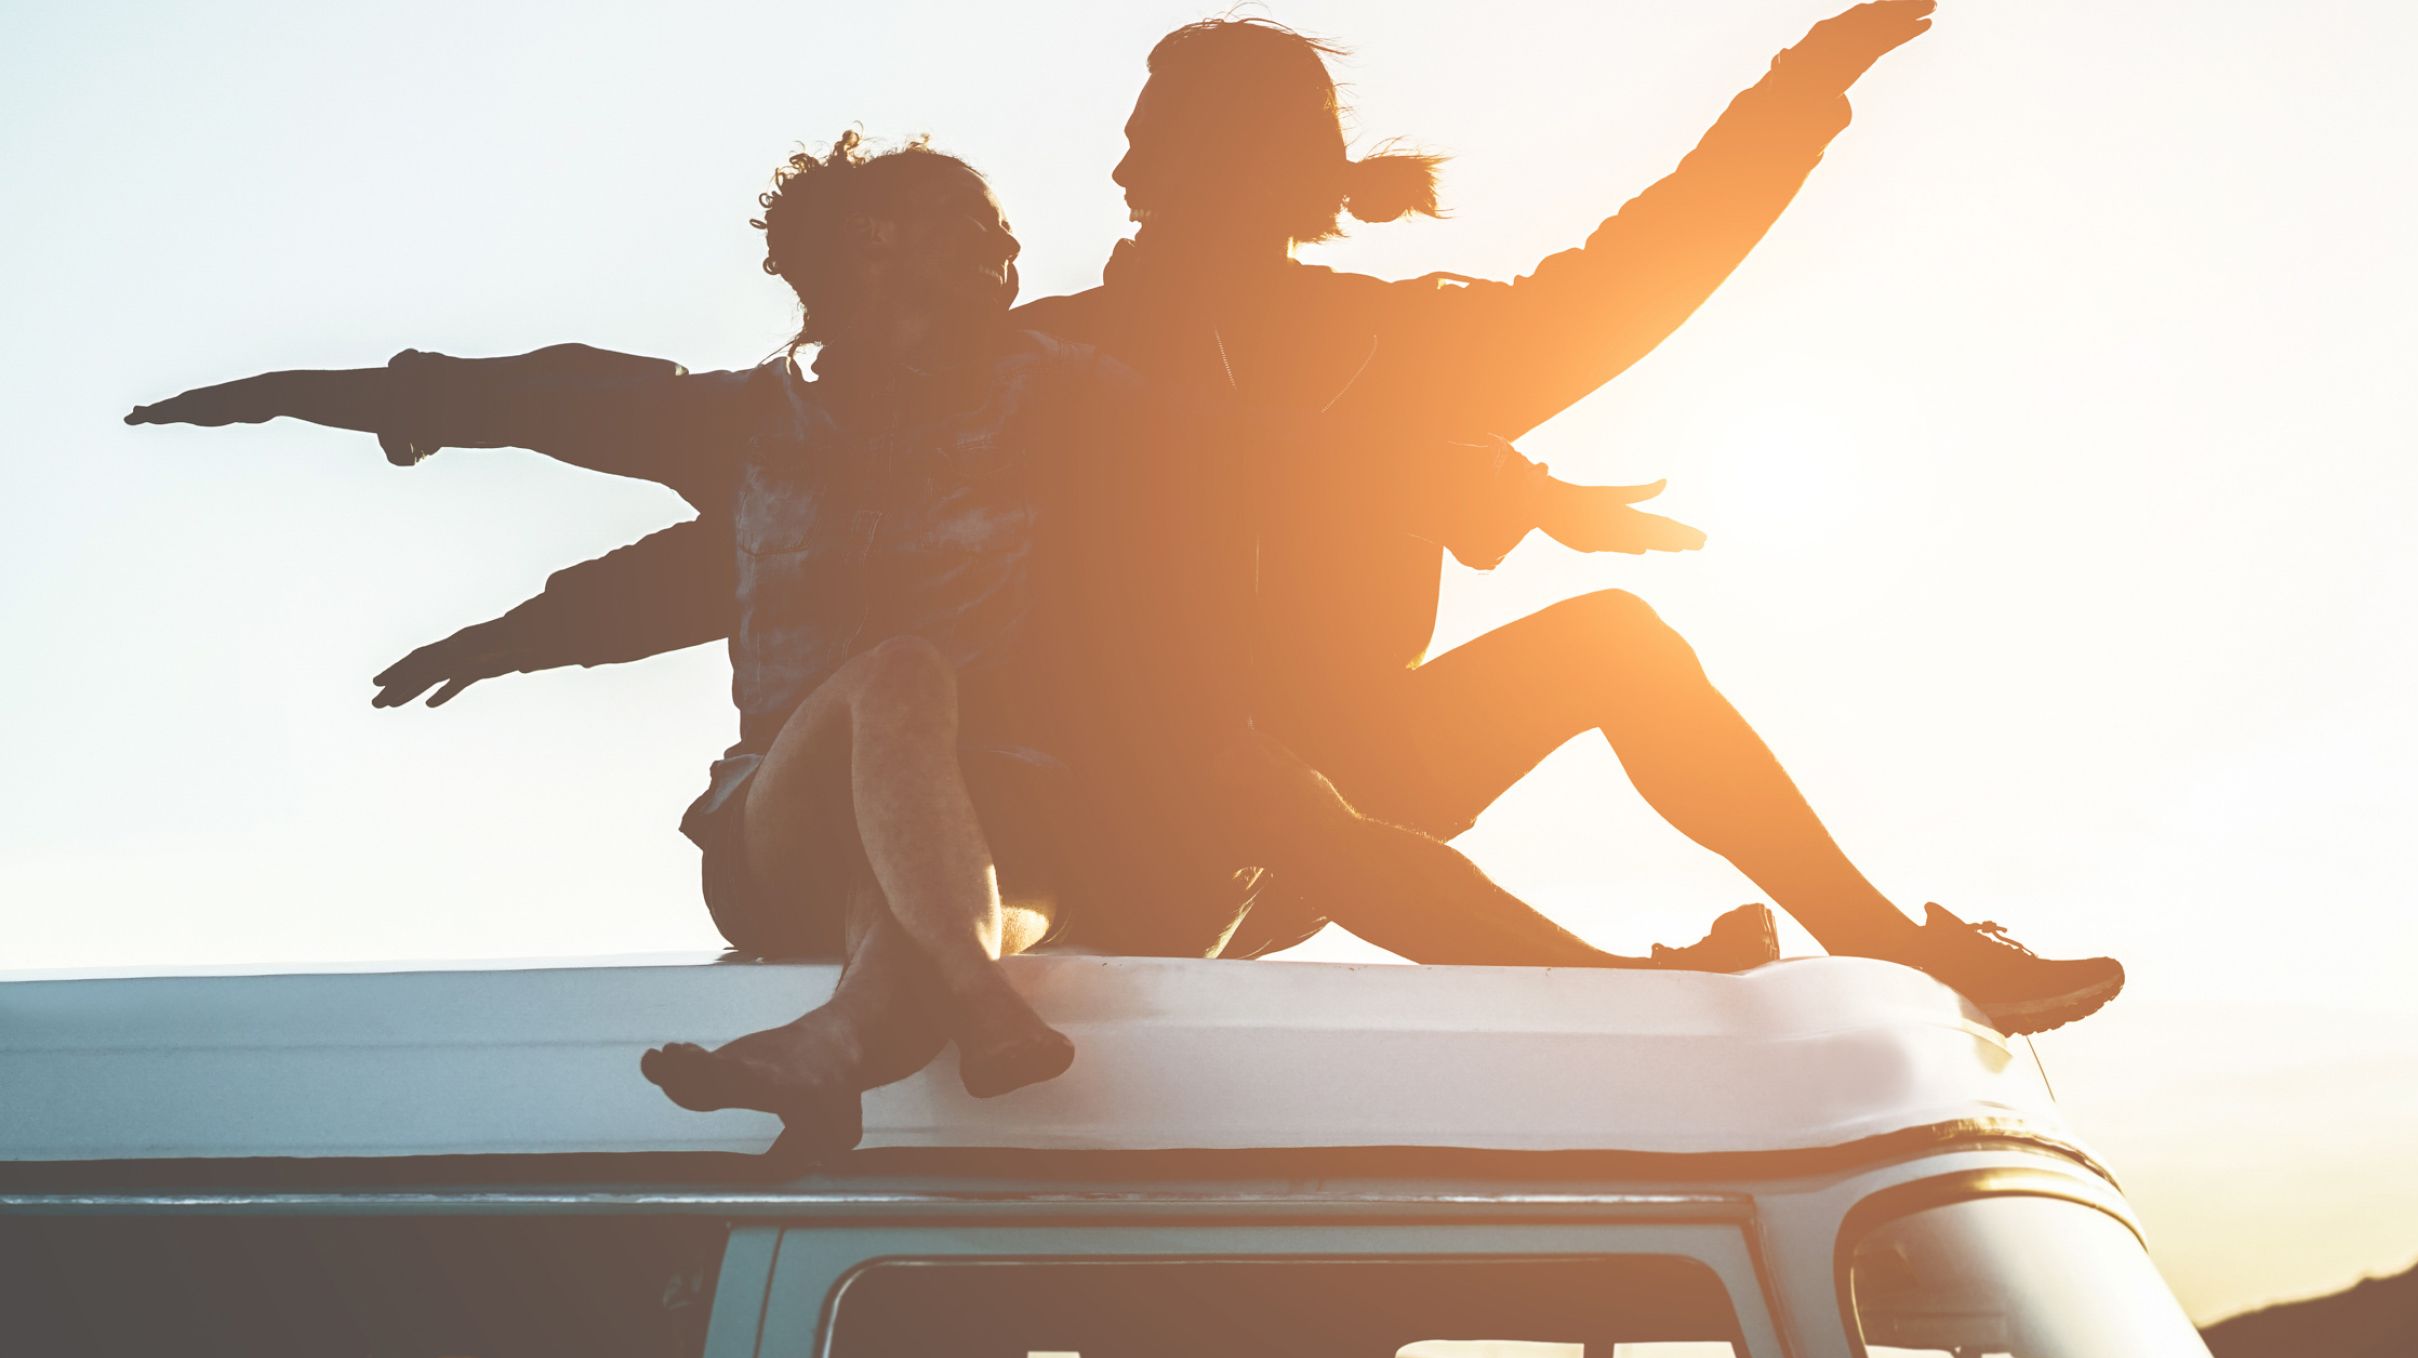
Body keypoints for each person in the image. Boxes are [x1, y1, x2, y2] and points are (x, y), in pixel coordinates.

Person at [363, 2, 2127, 1034]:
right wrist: (535, 630)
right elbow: (790, 532)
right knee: (1291, 774)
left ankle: (1893, 946)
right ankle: (1618, 987)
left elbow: (1631, 281)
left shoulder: (1403, 347)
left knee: (1615, 652)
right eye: (1132, 138)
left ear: (1263, 167)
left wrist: (1797, 90)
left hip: (1345, 779)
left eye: (1160, 136)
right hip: (1135, 803)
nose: (1125, 166)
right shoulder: (1041, 358)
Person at [127, 133, 1772, 1159]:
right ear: (818, 285)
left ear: (1001, 275)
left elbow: (1283, 452)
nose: (922, 287)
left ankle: (846, 1046)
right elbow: (493, 397)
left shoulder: (1065, 398)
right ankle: (975, 1009)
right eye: (879, 263)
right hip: (770, 822)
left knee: (1250, 820)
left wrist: (1530, 492)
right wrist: (285, 401)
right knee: (903, 680)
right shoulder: (737, 423)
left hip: (999, 821)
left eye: (960, 255)